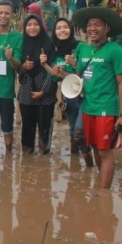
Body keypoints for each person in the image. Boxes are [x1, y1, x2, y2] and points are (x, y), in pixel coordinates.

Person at [68, 7, 122, 189]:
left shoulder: (116, 51)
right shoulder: (84, 50)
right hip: (87, 107)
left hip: (106, 109)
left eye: (97, 25)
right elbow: (79, 76)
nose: (92, 29)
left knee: (105, 151)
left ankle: (104, 194)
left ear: (107, 28)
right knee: (95, 147)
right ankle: (102, 183)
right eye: (89, 25)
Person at [45, 18, 89, 161]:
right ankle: (75, 161)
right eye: (58, 28)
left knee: (81, 129)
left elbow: (87, 71)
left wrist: (74, 63)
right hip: (69, 94)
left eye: (65, 27)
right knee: (72, 129)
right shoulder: (53, 50)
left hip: (86, 93)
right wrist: (48, 67)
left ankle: (88, 158)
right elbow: (54, 77)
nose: (62, 30)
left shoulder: (80, 47)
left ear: (70, 29)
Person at [18, 14, 57, 154]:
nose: (32, 27)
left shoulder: (49, 44)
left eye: (36, 24)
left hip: (45, 95)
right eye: (29, 25)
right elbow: (18, 72)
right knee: (27, 128)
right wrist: (23, 67)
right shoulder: (22, 44)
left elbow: (54, 72)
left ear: (41, 26)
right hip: (26, 93)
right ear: (25, 27)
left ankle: (44, 161)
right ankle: (27, 162)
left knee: (45, 129)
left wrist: (44, 91)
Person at [0, 1, 23, 152]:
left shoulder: (17, 37)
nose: (3, 16)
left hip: (6, 89)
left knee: (7, 125)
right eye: (0, 13)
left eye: (7, 13)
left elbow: (18, 65)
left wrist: (11, 58)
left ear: (12, 16)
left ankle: (8, 156)